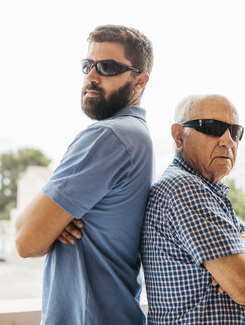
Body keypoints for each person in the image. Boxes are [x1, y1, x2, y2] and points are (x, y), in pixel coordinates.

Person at [16, 24, 154, 325]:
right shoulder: (136, 135)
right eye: (87, 65)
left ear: (139, 81)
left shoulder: (109, 136)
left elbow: (25, 241)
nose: (92, 76)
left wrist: (50, 223)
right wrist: (53, 223)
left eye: (107, 67)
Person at [141, 94, 245, 324]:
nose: (228, 140)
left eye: (235, 132)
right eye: (213, 127)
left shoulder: (210, 194)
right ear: (179, 136)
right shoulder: (184, 189)